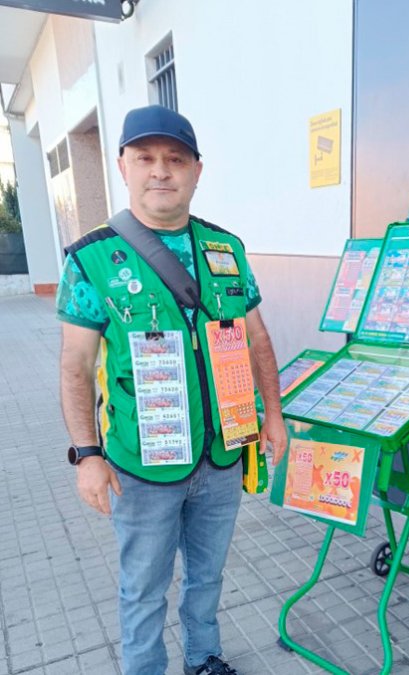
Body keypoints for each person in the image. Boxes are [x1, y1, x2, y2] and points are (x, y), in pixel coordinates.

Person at [57, 105, 287, 675]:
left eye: (175, 159)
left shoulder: (225, 249)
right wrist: (87, 455)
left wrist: (273, 416)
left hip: (223, 454)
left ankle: (205, 659)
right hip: (142, 466)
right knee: (143, 588)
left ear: (197, 170)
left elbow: (257, 339)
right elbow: (75, 367)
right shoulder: (92, 260)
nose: (161, 171)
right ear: (123, 167)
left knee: (208, 575)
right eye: (146, 159)